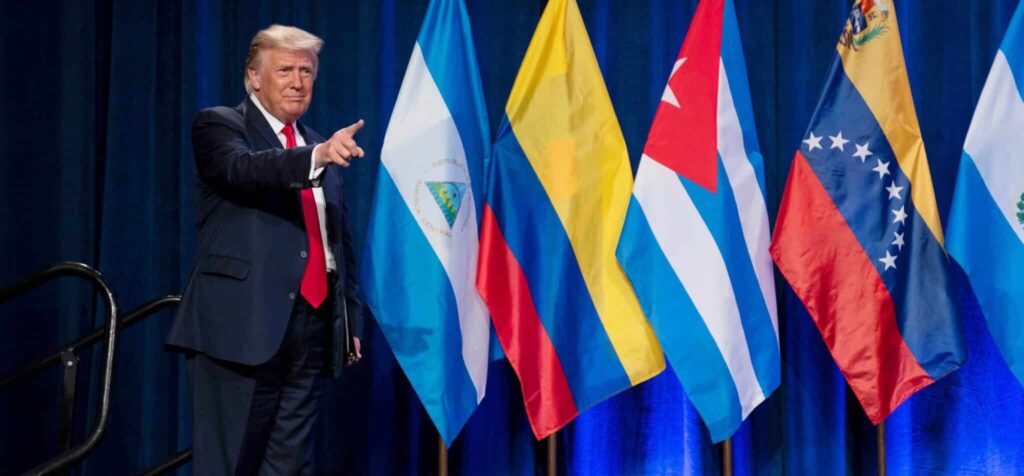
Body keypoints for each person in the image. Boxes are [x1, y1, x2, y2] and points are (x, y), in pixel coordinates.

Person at [166, 24, 366, 475]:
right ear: (254, 77)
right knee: (231, 462)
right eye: (285, 70)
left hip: (313, 326)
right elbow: (242, 170)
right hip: (244, 324)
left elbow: (338, 241)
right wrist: (315, 158)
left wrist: (348, 316)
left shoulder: (322, 145)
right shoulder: (220, 124)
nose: (298, 81)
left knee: (290, 465)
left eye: (306, 71)